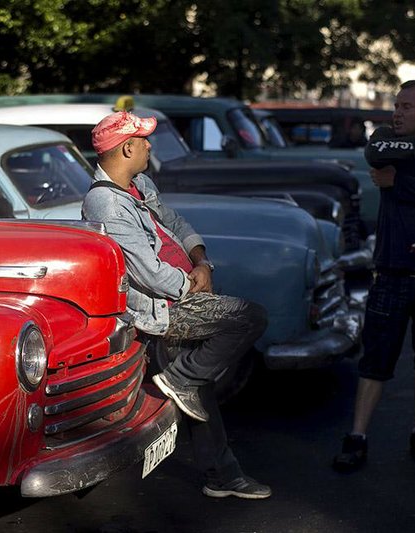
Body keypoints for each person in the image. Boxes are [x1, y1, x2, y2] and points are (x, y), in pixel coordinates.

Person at [82, 110, 271, 499]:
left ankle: (223, 476)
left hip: (183, 291)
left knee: (198, 391)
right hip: (163, 308)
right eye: (144, 140)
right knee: (250, 317)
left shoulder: (140, 184)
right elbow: (147, 274)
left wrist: (201, 261)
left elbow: (177, 223)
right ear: (127, 147)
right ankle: (183, 382)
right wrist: (193, 286)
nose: (150, 145)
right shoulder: (105, 205)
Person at [333, 80, 415, 472]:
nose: (397, 112)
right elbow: (374, 153)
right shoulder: (385, 139)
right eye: (396, 105)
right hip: (393, 270)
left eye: (407, 107)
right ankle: (357, 437)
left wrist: (399, 182)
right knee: (375, 358)